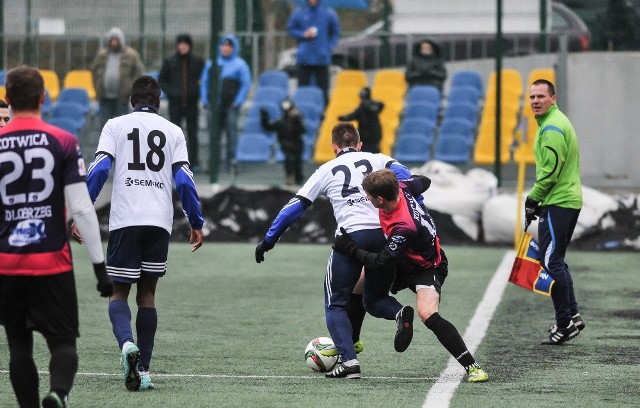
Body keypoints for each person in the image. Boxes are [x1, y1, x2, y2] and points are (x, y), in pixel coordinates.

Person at [255, 122, 417, 379]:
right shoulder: (377, 159)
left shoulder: (326, 169)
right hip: (385, 235)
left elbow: (295, 206)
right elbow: (406, 176)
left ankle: (350, 362)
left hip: (350, 238)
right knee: (374, 299)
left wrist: (269, 239)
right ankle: (399, 312)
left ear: (333, 147)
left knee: (336, 303)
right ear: (359, 144)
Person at [73, 75, 204, 391]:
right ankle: (143, 370)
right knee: (148, 296)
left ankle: (126, 344)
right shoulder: (173, 131)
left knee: (119, 293)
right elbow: (185, 181)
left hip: (125, 220)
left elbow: (100, 170)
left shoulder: (114, 126)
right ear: (159, 102)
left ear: (131, 101)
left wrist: (82, 210)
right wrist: (196, 221)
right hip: (158, 221)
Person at [0, 66, 112, 407]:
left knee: (19, 347)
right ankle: (58, 394)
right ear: (43, 98)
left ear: (8, 101)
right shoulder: (63, 141)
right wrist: (99, 269)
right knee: (63, 344)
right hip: (51, 262)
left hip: (7, 265)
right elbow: (81, 208)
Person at [333, 169, 489, 383]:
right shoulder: (402, 188)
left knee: (427, 313)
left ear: (380, 199)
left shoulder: (404, 226)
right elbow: (425, 180)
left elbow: (381, 261)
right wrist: (411, 181)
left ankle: (473, 367)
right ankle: (354, 341)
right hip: (404, 260)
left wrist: (349, 247)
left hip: (427, 267)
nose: (366, 198)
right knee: (358, 283)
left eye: (368, 196)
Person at [525, 79, 585, 345]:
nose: (536, 101)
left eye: (541, 96)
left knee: (551, 263)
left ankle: (565, 324)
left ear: (553, 98)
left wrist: (533, 199)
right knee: (556, 259)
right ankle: (572, 314)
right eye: (532, 97)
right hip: (564, 201)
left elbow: (550, 172)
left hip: (558, 202)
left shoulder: (552, 127)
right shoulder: (555, 122)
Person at [200, 35, 251, 173]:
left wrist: (237, 101)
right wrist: (205, 100)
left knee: (231, 135)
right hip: (214, 106)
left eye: (229, 46)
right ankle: (213, 164)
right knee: (214, 135)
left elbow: (245, 85)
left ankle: (232, 163)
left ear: (233, 48)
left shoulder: (240, 65)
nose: (226, 48)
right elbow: (205, 83)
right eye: (223, 45)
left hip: (230, 106)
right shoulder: (212, 63)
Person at [159, 33, 206, 172]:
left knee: (193, 133)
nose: (183, 46)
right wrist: (172, 92)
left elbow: (204, 79)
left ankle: (193, 162)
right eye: (180, 44)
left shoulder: (198, 61)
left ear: (190, 46)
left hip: (191, 103)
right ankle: (175, 161)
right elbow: (162, 81)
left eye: (186, 44)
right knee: (175, 134)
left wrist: (196, 92)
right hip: (175, 104)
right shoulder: (169, 62)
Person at [287, 0, 341, 105]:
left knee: (323, 90)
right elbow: (291, 29)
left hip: (322, 59)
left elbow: (336, 32)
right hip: (304, 58)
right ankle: (303, 112)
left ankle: (323, 114)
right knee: (303, 89)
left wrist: (328, 47)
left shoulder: (328, 13)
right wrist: (303, 34)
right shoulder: (299, 12)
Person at [91, 27, 145, 128]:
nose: (114, 43)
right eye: (112, 40)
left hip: (122, 97)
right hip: (105, 97)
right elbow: (94, 72)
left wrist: (131, 89)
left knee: (122, 126)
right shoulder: (102, 55)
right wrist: (97, 86)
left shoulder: (131, 55)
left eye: (116, 40)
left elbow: (139, 73)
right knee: (105, 126)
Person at [260, 99, 306, 185]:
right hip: (286, 145)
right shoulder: (280, 122)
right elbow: (268, 127)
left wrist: (296, 119)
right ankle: (290, 178)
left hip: (297, 145)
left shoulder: (298, 119)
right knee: (289, 160)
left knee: (297, 162)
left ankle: (298, 178)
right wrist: (264, 117)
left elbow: (302, 131)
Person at [338, 87, 384, 153]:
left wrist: (344, 118)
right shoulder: (363, 107)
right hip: (365, 135)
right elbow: (352, 115)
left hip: (372, 135)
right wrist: (343, 118)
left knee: (373, 153)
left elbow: (380, 106)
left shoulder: (369, 106)